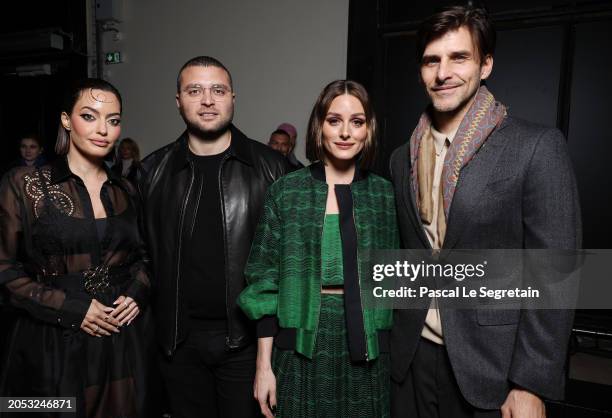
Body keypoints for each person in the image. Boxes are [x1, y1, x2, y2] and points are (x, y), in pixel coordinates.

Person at [389, 6, 581, 418]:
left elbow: (555, 273)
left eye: (459, 57)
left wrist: (529, 383)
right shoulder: (401, 156)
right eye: (431, 60)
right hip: (411, 359)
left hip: (491, 369)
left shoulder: (536, 147)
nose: (443, 72)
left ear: (486, 64)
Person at [238, 80, 399, 417]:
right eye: (334, 120)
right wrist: (263, 366)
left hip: (368, 345)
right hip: (299, 343)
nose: (345, 132)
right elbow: (263, 281)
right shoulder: (287, 191)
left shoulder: (385, 194)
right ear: (319, 126)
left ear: (368, 129)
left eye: (356, 122)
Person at [140, 56, 287, 418]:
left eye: (217, 90)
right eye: (195, 91)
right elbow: (141, 254)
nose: (207, 100)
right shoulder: (152, 171)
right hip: (178, 344)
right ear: (178, 101)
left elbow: (286, 264)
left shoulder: (271, 168)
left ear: (233, 97)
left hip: (248, 344)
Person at [0, 78, 151, 417]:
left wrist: (137, 293)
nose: (103, 130)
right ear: (67, 120)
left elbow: (145, 256)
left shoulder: (126, 188)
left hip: (120, 342)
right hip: (50, 343)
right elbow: (5, 270)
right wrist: (71, 309)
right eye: (89, 116)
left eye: (113, 120)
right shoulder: (22, 184)